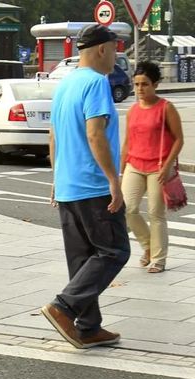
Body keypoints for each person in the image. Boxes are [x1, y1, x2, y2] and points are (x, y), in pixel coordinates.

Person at [41, 24, 130, 349]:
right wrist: (113, 179)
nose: (116, 58)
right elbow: (95, 134)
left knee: (82, 260)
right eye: (116, 50)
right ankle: (63, 307)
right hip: (93, 187)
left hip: (68, 186)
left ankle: (88, 327)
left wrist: (56, 177)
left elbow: (53, 136)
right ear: (102, 49)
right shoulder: (96, 83)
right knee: (115, 250)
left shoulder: (65, 85)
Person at [121, 60, 184, 274]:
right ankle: (148, 246)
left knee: (156, 214)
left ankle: (158, 259)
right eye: (137, 84)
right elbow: (127, 142)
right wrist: (121, 170)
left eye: (145, 84)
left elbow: (179, 140)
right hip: (134, 165)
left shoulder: (166, 108)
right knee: (128, 209)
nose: (140, 89)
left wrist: (167, 166)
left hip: (158, 167)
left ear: (155, 84)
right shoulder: (132, 110)